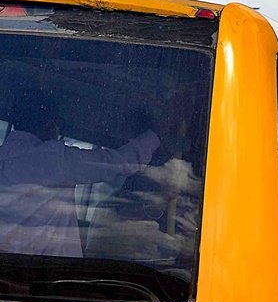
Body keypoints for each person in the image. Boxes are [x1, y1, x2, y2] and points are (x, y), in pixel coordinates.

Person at [0, 90, 160, 257]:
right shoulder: (55, 158)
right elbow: (119, 162)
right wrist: (156, 135)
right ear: (51, 125)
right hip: (51, 276)